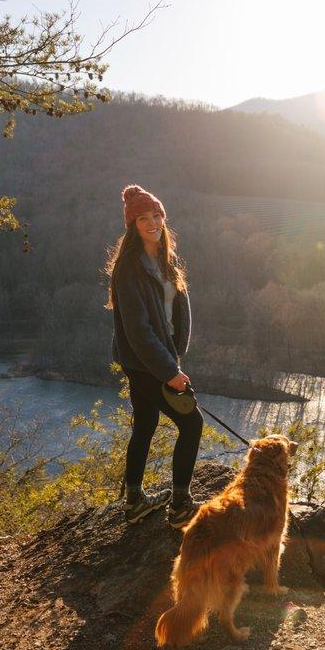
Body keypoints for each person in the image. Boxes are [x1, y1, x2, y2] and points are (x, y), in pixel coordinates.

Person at [106, 184, 203, 527]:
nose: (152, 222)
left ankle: (134, 501)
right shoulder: (128, 268)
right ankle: (179, 506)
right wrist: (169, 372)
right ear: (132, 224)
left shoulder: (168, 261)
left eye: (156, 215)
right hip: (145, 364)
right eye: (143, 217)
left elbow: (177, 317)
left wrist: (176, 358)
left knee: (145, 425)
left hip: (162, 360)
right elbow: (138, 331)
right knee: (192, 423)